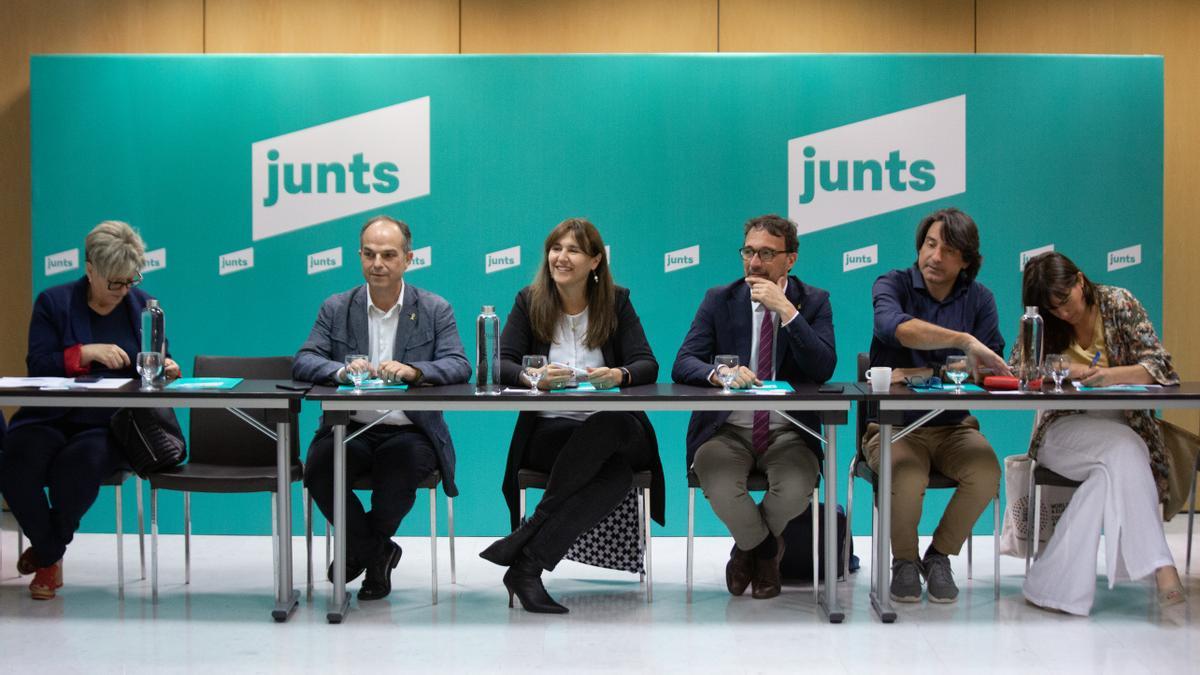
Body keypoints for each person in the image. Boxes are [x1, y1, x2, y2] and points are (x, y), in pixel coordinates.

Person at [479, 217, 663, 614]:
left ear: (595, 261)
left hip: (615, 428)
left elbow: (647, 364)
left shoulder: (617, 301)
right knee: (614, 477)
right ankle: (526, 567)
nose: (561, 257)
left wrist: (618, 375)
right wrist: (535, 379)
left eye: (573, 250)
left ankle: (528, 531)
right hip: (551, 430)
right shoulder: (529, 301)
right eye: (556, 248)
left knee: (610, 420)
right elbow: (499, 364)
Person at [0, 221, 180, 600]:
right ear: (90, 268)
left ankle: (47, 554)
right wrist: (84, 353)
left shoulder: (143, 307)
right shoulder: (54, 302)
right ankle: (51, 552)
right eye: (114, 282)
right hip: (47, 418)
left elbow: (158, 362)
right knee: (15, 462)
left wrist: (166, 367)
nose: (122, 290)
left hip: (106, 425)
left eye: (129, 280)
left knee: (79, 465)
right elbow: (39, 364)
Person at [295, 214, 470, 601]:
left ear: (409, 259)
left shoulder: (435, 308)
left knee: (400, 468)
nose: (378, 264)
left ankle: (363, 550)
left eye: (389, 255)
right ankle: (378, 553)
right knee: (321, 468)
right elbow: (305, 359)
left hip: (410, 430)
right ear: (359, 256)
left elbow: (459, 363)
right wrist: (338, 371)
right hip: (349, 428)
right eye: (370, 254)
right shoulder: (336, 307)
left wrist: (414, 371)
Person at [672, 214, 836, 599]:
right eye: (749, 251)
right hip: (727, 430)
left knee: (796, 488)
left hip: (789, 431)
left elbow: (822, 367)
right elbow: (684, 361)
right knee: (719, 481)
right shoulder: (720, 299)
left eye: (766, 253)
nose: (754, 262)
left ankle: (745, 550)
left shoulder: (814, 302)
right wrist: (721, 373)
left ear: (790, 259)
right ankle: (764, 552)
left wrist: (788, 313)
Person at [1016, 252, 1184, 615]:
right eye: (1052, 307)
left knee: (1110, 470)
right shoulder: (1043, 320)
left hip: (1124, 426)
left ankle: (1053, 588)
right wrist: (1064, 369)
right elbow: (1019, 368)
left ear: (1080, 281)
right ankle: (1162, 569)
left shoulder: (1119, 303)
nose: (1062, 312)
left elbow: (1160, 366)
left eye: (1064, 300)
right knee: (1126, 449)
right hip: (1063, 431)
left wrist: (1112, 375)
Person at [866, 207, 1009, 604]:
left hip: (953, 427)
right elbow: (893, 328)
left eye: (947, 250)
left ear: (965, 261)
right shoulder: (891, 283)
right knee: (907, 475)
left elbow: (987, 367)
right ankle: (905, 563)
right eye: (930, 244)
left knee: (985, 471)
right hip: (893, 428)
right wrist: (962, 343)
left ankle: (939, 556)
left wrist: (917, 372)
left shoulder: (980, 298)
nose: (934, 256)